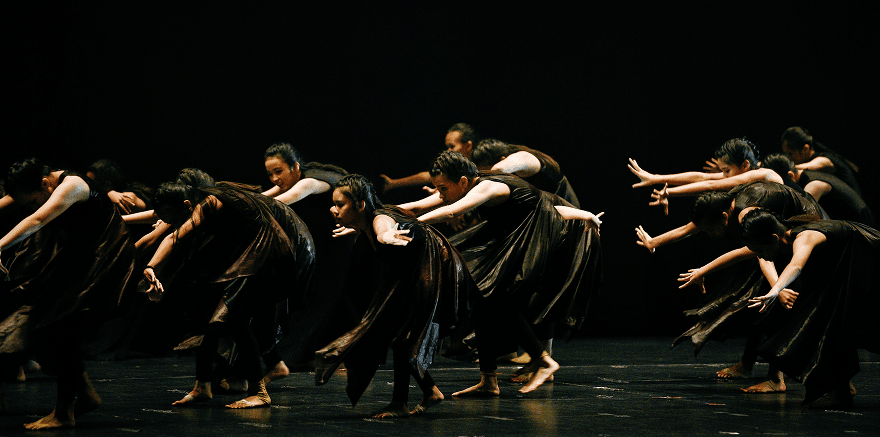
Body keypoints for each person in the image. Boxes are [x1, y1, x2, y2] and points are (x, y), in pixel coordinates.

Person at [402, 151, 603, 395]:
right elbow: (420, 205)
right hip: (536, 232)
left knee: (498, 298)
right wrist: (382, 214)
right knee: (481, 300)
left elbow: (453, 211)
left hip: (555, 239)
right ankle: (489, 381)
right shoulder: (473, 184)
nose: (441, 194)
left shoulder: (490, 187)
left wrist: (412, 226)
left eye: (443, 189)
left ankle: (543, 360)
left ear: (462, 182)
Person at [141, 178, 315, 409]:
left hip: (270, 250)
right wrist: (150, 268)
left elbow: (175, 237)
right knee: (212, 317)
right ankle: (202, 387)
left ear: (186, 204)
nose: (173, 224)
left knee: (235, 318)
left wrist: (152, 266)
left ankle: (259, 392)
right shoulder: (205, 202)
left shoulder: (209, 202)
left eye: (174, 218)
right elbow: (171, 234)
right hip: (249, 250)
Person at [314, 174, 475, 418]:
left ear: (361, 205)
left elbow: (383, 229)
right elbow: (413, 209)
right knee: (399, 338)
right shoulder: (369, 220)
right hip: (415, 274)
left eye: (340, 204)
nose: (333, 209)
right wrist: (360, 229)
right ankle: (427, 392)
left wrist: (385, 236)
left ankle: (404, 401)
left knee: (403, 337)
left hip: (434, 271)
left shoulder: (379, 219)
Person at [0, 158, 137, 429]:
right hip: (79, 258)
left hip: (104, 258)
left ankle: (64, 413)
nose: (32, 205)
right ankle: (85, 396)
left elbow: (38, 218)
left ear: (44, 184)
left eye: (33, 200)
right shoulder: (39, 183)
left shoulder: (73, 185)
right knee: (48, 324)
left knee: (59, 324)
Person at [743, 210, 879, 408]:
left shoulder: (804, 237)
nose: (760, 256)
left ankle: (841, 390)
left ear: (773, 238)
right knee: (829, 322)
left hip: (871, 259)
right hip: (855, 265)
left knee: (855, 324)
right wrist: (702, 271)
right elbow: (737, 255)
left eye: (760, 250)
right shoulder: (788, 234)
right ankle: (841, 390)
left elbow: (796, 266)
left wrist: (774, 290)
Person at [630, 138, 784, 216]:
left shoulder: (763, 174)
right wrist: (655, 178)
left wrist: (670, 192)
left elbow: (710, 185)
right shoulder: (746, 177)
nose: (724, 176)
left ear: (745, 165)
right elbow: (702, 177)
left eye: (727, 170)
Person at [762, 153, 873, 226]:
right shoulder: (808, 175)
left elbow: (805, 214)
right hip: (852, 222)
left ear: (790, 176)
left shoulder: (813, 185)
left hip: (860, 223)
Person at [470, 138, 580, 208]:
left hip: (568, 223)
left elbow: (498, 169)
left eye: (486, 171)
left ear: (502, 159)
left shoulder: (524, 157)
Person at [380, 123, 480, 193]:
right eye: (447, 147)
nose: (448, 151)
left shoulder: (482, 166)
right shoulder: (456, 169)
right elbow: (427, 176)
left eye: (452, 146)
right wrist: (394, 183)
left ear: (468, 146)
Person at [780, 126, 861, 196]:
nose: (789, 158)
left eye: (790, 154)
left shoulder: (825, 159)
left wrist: (781, 168)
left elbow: (810, 165)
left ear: (805, 148)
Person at [86, 159, 153, 215]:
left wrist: (110, 194)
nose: (88, 187)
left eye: (91, 183)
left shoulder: (132, 190)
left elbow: (135, 201)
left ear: (107, 185)